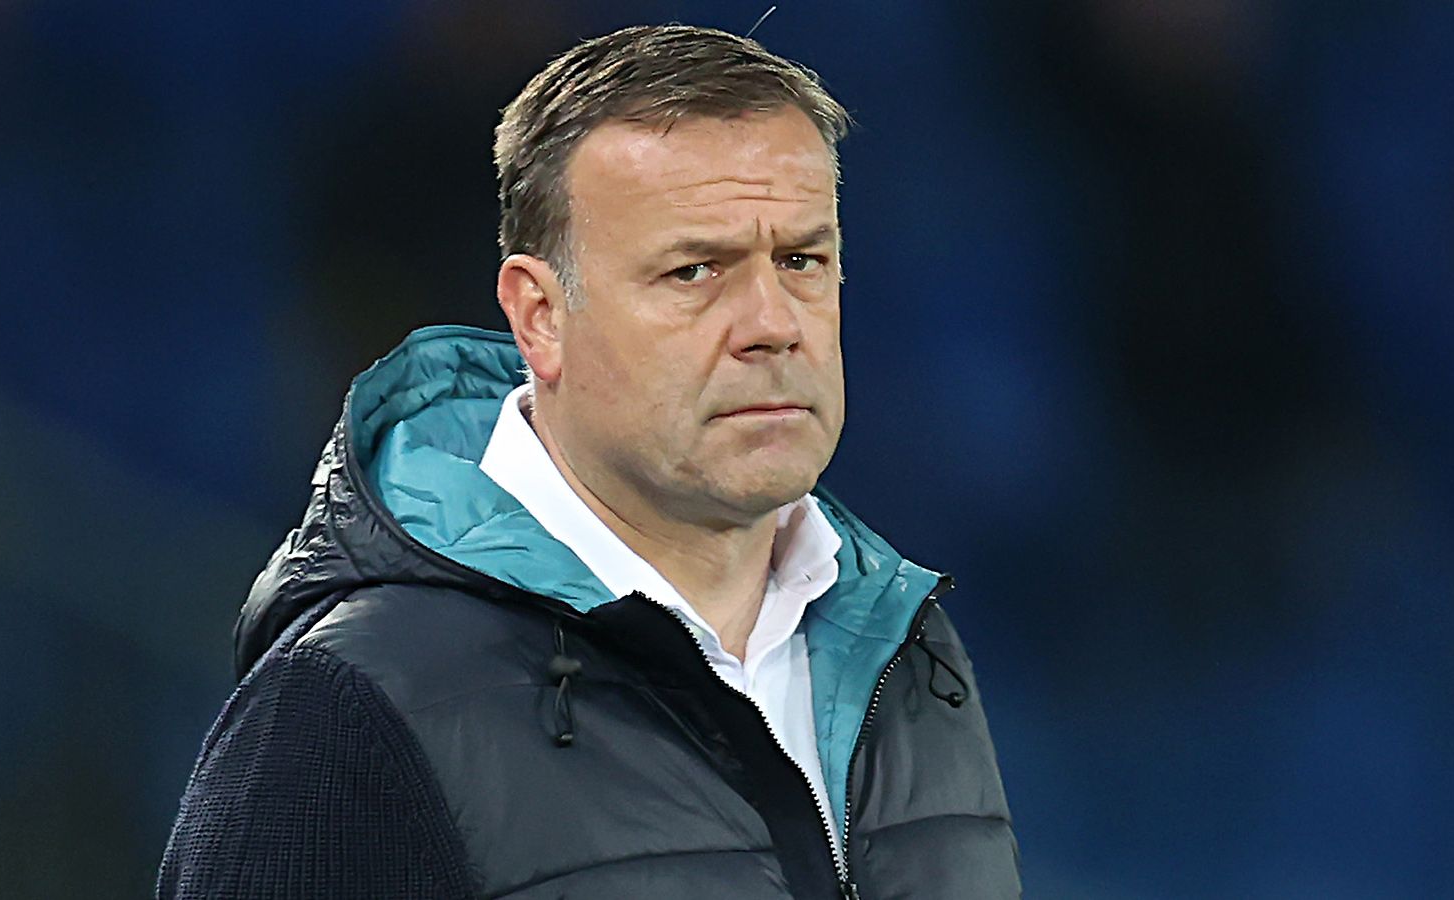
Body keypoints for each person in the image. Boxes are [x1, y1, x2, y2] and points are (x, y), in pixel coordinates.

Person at [159, 24, 1019, 899]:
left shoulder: (911, 656)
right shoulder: (350, 709)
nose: (773, 323)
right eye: (695, 270)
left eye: (802, 260)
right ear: (539, 317)